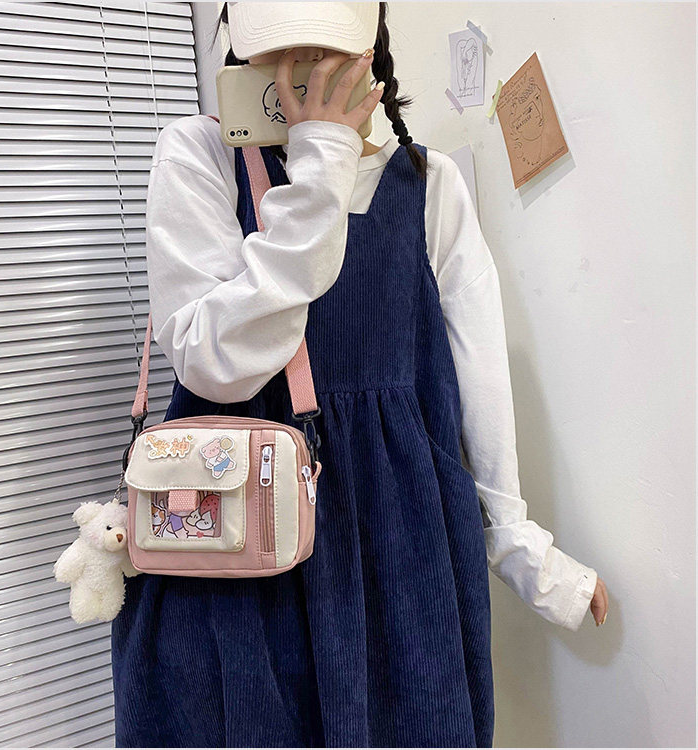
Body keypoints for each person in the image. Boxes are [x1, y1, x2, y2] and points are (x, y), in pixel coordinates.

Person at [111, 3, 609, 747]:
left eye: (322, 49)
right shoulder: (200, 155)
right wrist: (319, 169)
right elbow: (216, 365)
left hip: (398, 538)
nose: (296, 71)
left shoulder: (429, 182)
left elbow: (478, 375)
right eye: (273, 50)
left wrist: (517, 546)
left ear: (370, 49)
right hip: (237, 545)